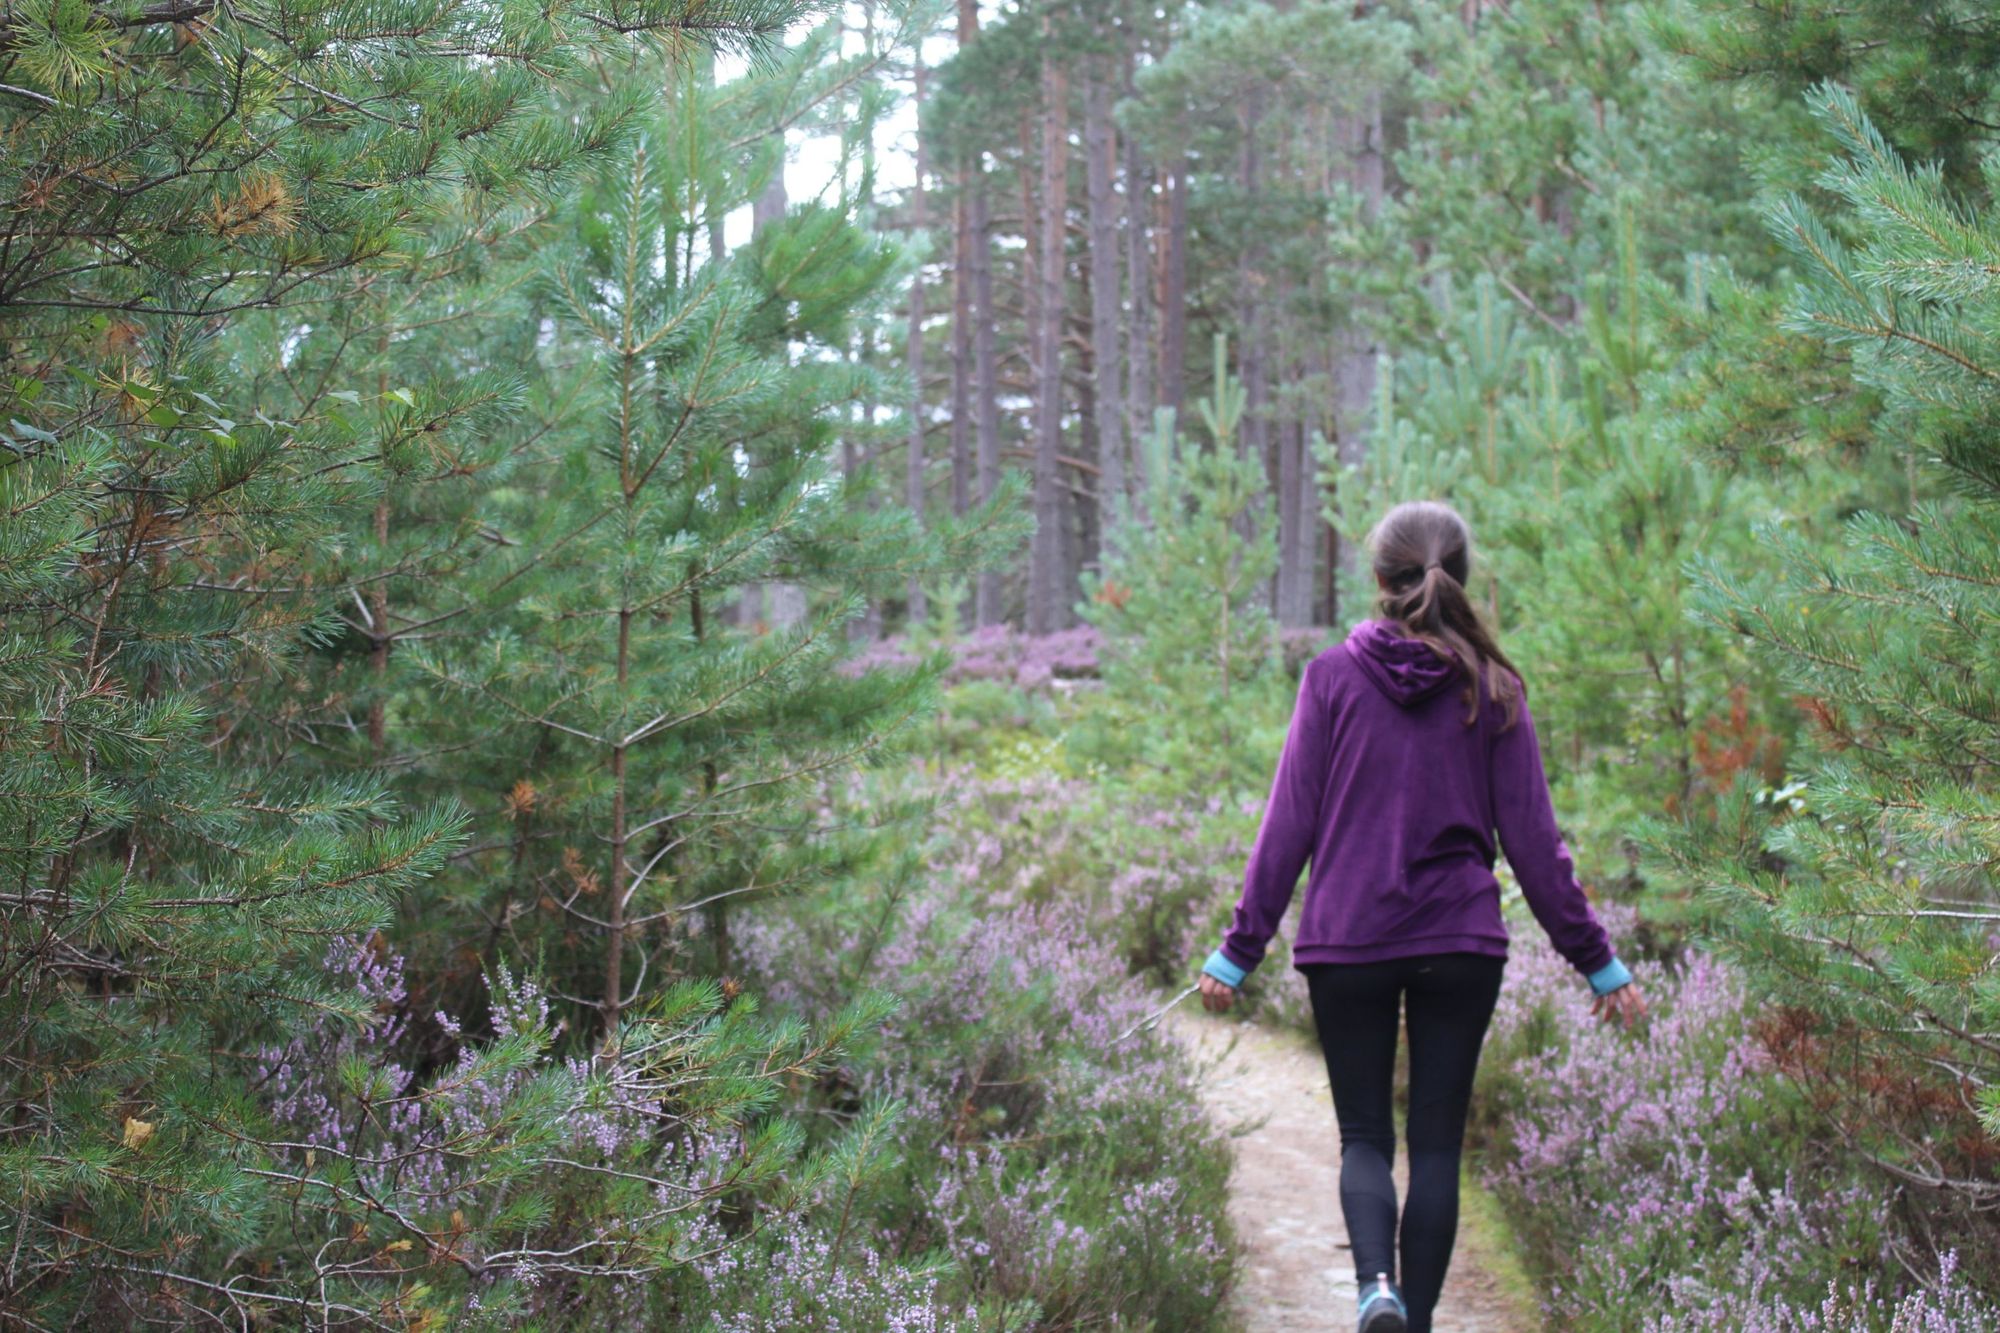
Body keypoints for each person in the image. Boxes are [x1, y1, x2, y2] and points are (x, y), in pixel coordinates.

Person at [1195, 500, 1646, 1333]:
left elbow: (1287, 821)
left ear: (1379, 580)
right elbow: (1536, 846)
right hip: (1461, 941)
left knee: (1365, 1136)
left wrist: (1237, 951)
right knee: (1436, 1145)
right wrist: (1599, 962)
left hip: (1347, 939)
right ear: (1459, 579)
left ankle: (1376, 1290)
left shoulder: (1330, 679)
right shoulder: (1495, 686)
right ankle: (1419, 1321)